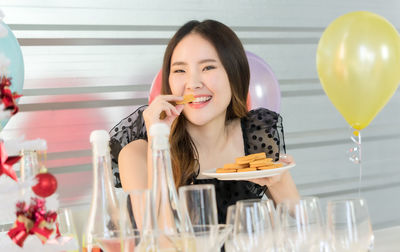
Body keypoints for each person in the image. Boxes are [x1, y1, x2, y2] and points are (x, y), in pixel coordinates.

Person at [110, 19, 299, 223]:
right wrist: (158, 142)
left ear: (234, 74)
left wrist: (278, 180)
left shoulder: (255, 137)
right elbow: (157, 239)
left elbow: (304, 221)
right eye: (180, 70)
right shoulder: (137, 153)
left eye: (208, 68)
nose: (193, 84)